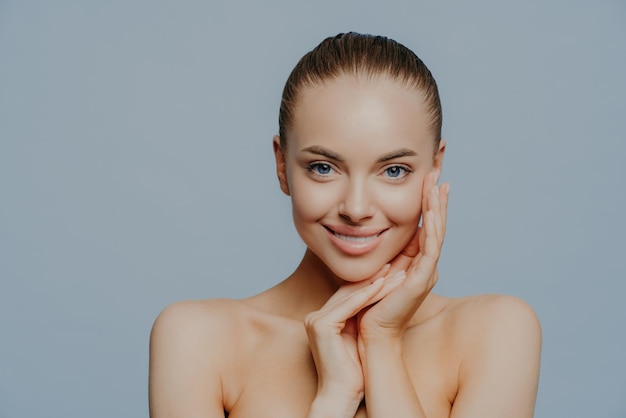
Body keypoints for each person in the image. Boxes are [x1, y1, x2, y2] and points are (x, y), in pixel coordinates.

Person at [148, 32, 542, 418]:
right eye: (323, 168)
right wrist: (334, 400)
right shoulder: (196, 340)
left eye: (393, 170)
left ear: (434, 167)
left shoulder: (496, 332)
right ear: (282, 165)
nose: (356, 208)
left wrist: (382, 343)